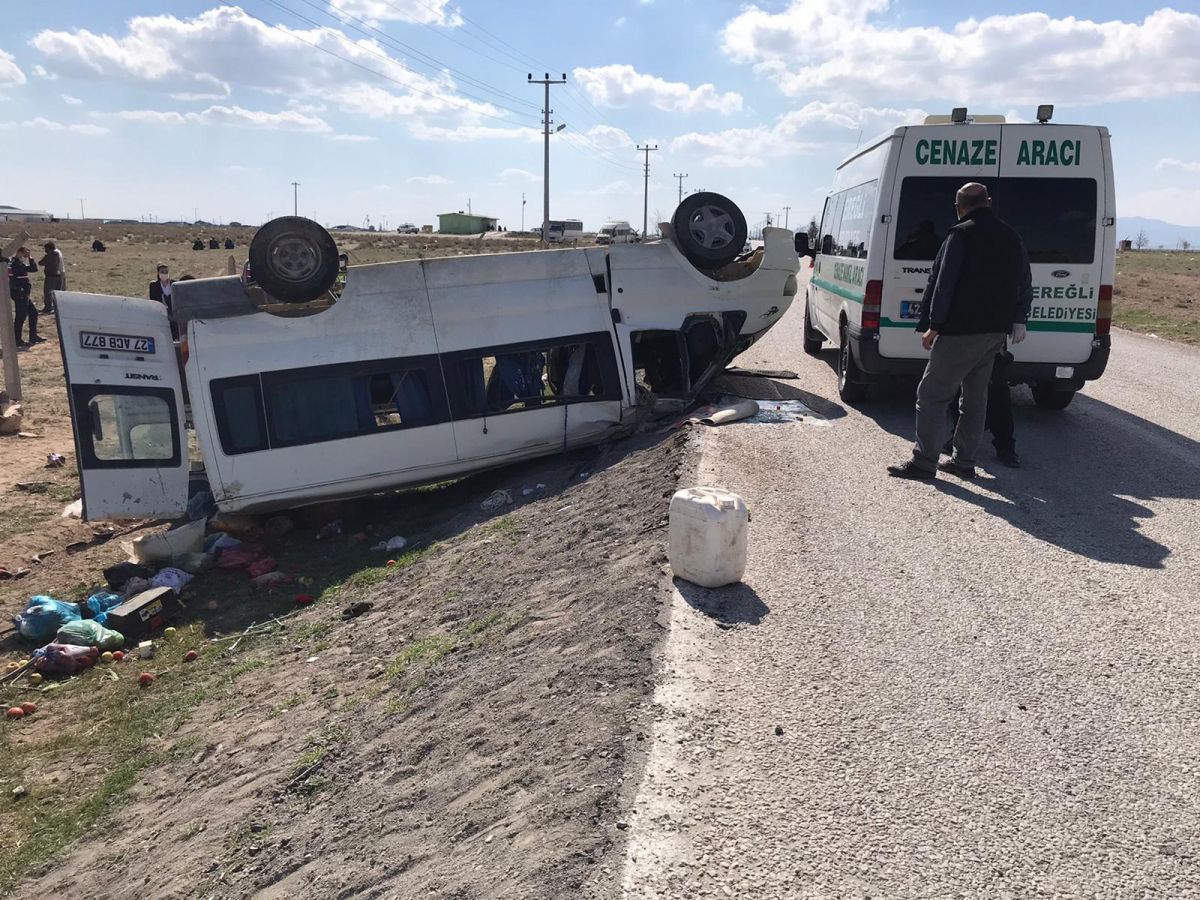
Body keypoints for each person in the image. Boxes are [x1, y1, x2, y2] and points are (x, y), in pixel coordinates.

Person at [887, 182, 1031, 480]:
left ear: (958, 206)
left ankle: (924, 462)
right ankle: (964, 462)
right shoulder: (1011, 235)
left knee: (931, 396)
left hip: (960, 331)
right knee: (975, 399)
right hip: (995, 332)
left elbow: (944, 283)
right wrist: (1019, 318)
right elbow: (1024, 281)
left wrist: (933, 326)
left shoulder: (960, 234)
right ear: (988, 202)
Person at [946, 349, 1020, 467]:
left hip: (991, 341)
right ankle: (959, 440)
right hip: (963, 342)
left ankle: (1006, 447)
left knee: (998, 395)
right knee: (960, 393)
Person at [9, 246, 42, 346]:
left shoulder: (19, 263)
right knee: (20, 316)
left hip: (23, 293)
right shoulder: (15, 263)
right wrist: (28, 258)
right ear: (19, 253)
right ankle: (17, 340)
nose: (25, 256)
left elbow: (34, 268)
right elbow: (32, 268)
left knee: (33, 313)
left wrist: (30, 257)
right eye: (24, 254)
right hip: (19, 293)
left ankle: (33, 336)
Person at [38, 241, 65, 314]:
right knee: (57, 293)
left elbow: (41, 263)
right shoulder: (57, 253)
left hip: (50, 276)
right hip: (58, 275)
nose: (45, 250)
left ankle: (48, 308)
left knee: (48, 293)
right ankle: (57, 308)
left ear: (49, 248)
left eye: (46, 248)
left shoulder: (50, 255)